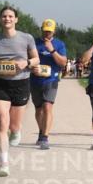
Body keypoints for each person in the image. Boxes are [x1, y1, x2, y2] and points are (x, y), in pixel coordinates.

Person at [0, 6, 38, 176]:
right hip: (0, 84)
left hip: (20, 84)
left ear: (16, 19)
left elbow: (36, 59)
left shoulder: (26, 38)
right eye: (4, 16)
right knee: (1, 120)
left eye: (10, 16)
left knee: (14, 126)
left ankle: (16, 131)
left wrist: (26, 63)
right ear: (0, 19)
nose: (7, 19)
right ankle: (4, 164)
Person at [30, 18, 68, 151]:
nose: (47, 33)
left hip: (51, 80)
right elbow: (27, 60)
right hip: (35, 80)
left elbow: (63, 63)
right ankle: (41, 131)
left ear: (54, 31)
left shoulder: (59, 44)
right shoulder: (34, 43)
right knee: (38, 109)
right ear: (42, 29)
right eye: (45, 31)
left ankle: (45, 137)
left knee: (47, 107)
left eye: (50, 31)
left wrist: (52, 51)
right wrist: (31, 67)